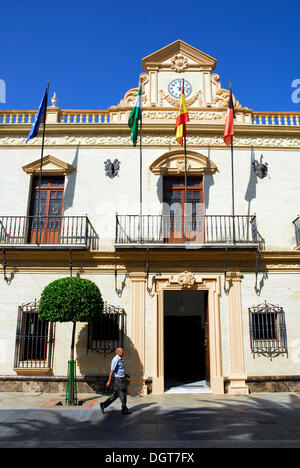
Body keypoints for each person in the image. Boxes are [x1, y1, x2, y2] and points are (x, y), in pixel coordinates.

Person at [100, 347, 131, 415]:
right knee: (122, 393)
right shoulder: (115, 359)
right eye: (122, 351)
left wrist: (125, 375)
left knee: (116, 394)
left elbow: (119, 370)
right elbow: (112, 371)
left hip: (121, 379)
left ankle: (103, 405)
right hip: (118, 380)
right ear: (118, 352)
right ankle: (124, 409)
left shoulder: (120, 359)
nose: (123, 353)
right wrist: (109, 381)